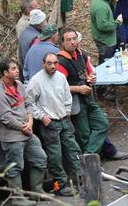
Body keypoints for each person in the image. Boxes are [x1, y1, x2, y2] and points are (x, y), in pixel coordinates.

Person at [56, 28, 128, 161]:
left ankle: (88, 157)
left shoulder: (82, 54)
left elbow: (90, 72)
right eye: (68, 40)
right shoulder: (61, 61)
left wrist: (92, 77)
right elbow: (59, 87)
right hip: (75, 102)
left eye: (74, 39)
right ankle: (91, 163)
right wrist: (78, 89)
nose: (72, 42)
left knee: (102, 123)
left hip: (88, 98)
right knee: (83, 135)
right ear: (62, 43)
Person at [26, 53, 81, 197]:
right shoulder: (36, 81)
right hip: (49, 123)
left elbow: (67, 96)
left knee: (73, 150)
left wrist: (68, 112)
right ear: (43, 63)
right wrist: (42, 117)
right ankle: (61, 185)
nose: (53, 66)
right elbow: (29, 103)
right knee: (55, 156)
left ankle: (81, 178)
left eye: (55, 63)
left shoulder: (61, 77)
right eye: (49, 63)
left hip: (64, 118)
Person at [0, 58, 48, 205]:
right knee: (15, 167)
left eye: (17, 68)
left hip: (27, 132)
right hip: (13, 136)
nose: (17, 71)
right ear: (5, 73)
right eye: (13, 69)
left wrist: (30, 121)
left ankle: (37, 192)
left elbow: (29, 103)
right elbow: (5, 117)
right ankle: (17, 199)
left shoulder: (19, 85)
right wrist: (23, 127)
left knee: (40, 158)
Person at [90, 0, 124, 64]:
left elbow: (108, 14)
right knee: (105, 64)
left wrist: (113, 1)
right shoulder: (100, 6)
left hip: (106, 40)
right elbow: (103, 26)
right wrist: (117, 22)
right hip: (105, 41)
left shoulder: (100, 0)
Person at [18, 9, 47, 76]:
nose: (46, 23)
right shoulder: (36, 39)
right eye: (44, 21)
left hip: (25, 69)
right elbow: (37, 60)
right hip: (33, 73)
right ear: (39, 24)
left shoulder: (25, 32)